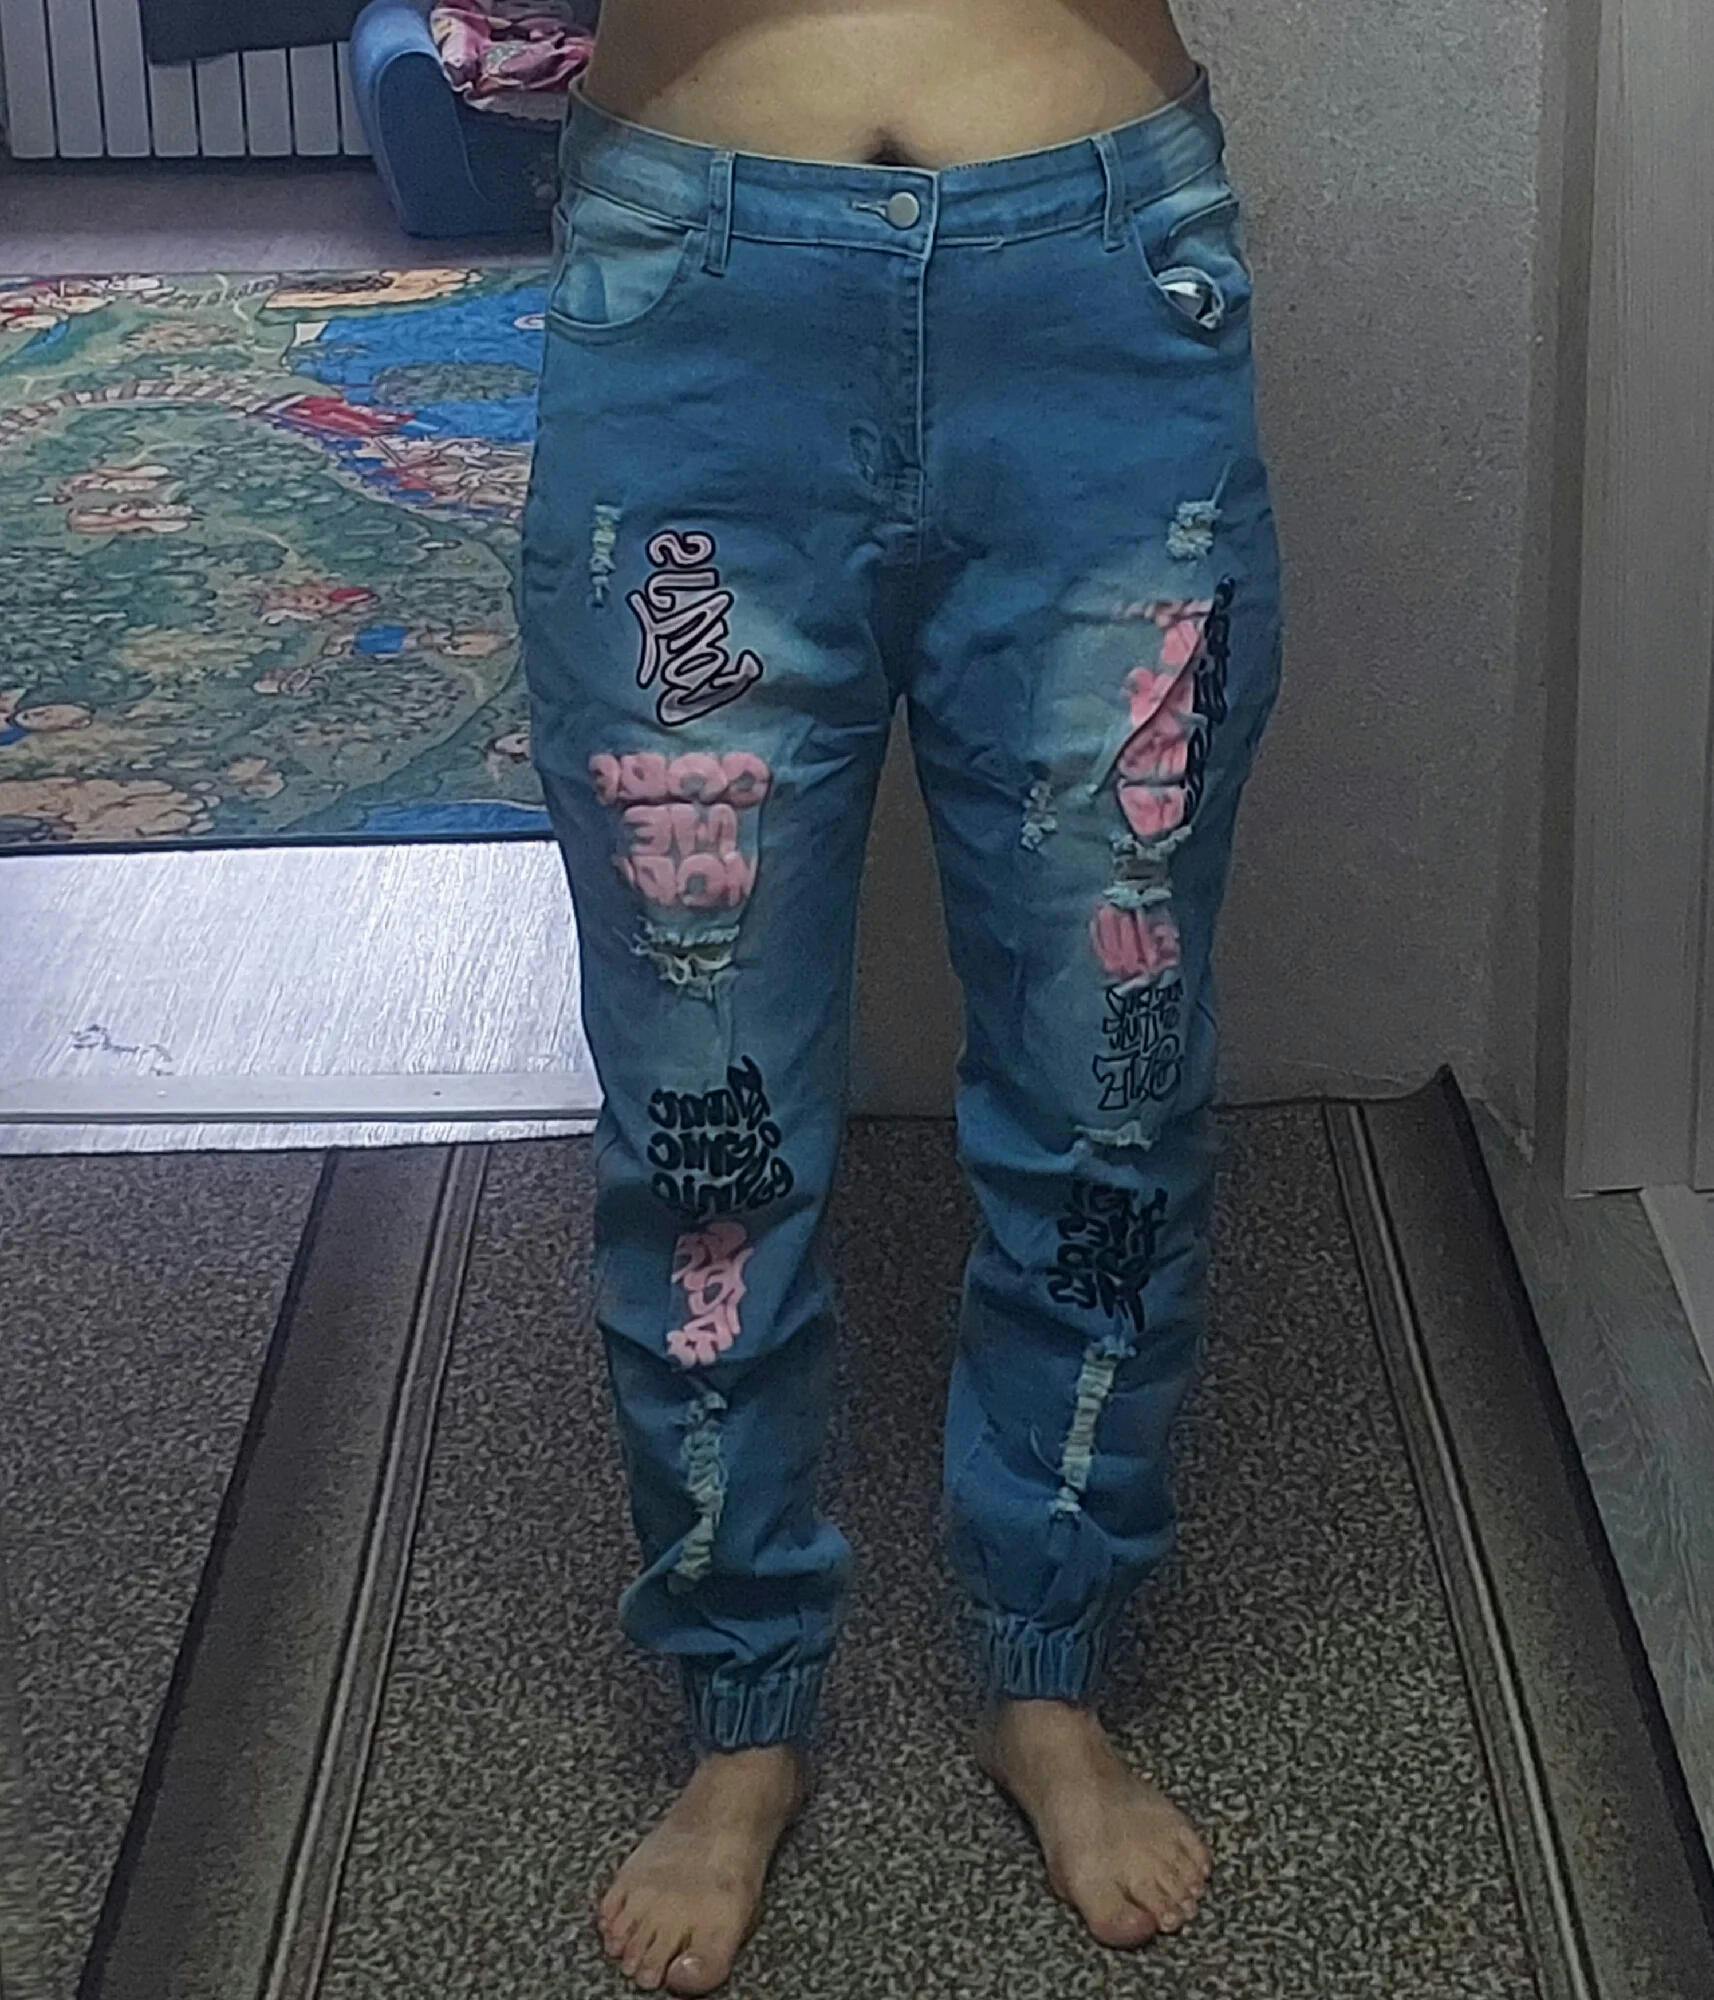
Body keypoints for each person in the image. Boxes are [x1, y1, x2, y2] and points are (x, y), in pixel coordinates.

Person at [518, 2, 1283, 1991]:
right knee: (701, 1101)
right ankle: (741, 1702)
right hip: (695, 304)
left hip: (1093, 290)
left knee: (1106, 1066)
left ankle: (1050, 1665)